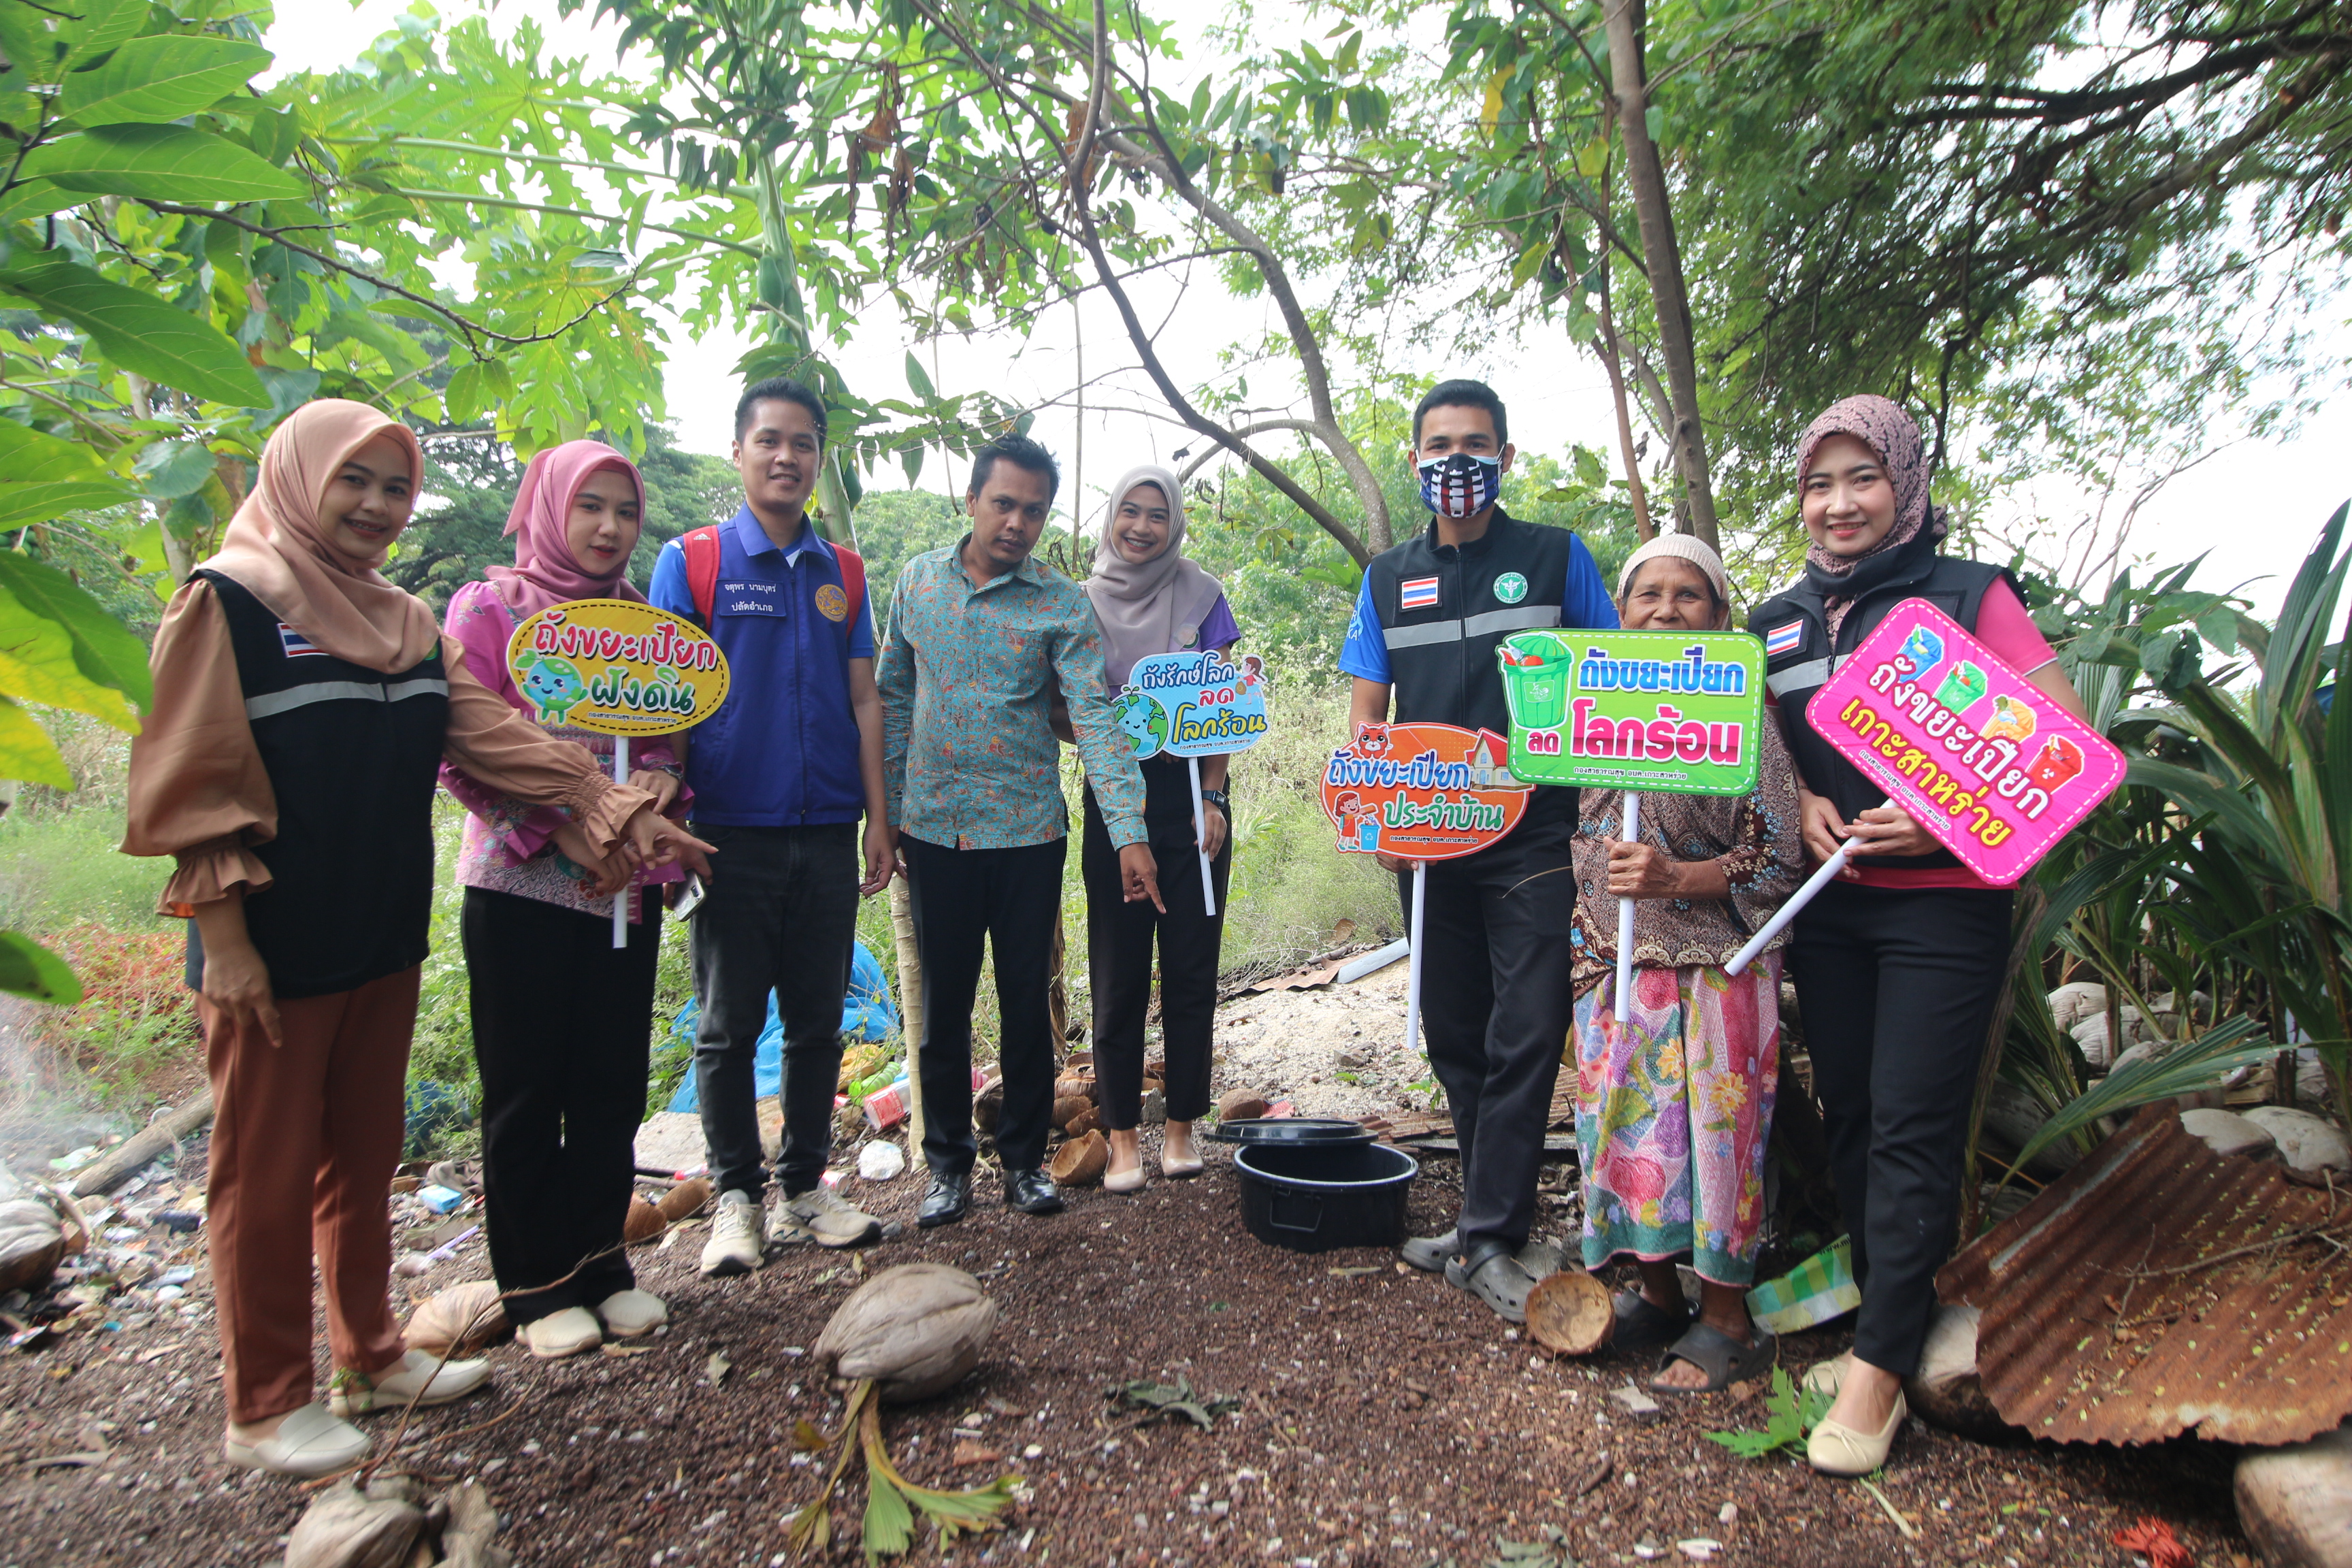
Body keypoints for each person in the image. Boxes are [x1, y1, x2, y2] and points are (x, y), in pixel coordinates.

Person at [122, 400, 709, 1479]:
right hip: (271, 936)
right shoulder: (230, 604)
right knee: (263, 1166)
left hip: (383, 930)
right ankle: (263, 1403)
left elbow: (492, 733)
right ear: (298, 478)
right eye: (355, 483)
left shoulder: (401, 621)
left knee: (363, 1154)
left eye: (396, 489)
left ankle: (371, 1352)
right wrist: (228, 939)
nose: (377, 508)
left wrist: (622, 808)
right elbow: (193, 780)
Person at [1747, 394, 2087, 1475]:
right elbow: (1774, 750)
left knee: (1911, 1127)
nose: (1838, 505)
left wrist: (1943, 807)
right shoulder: (1778, 619)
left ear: (1906, 483)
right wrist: (1799, 800)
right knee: (1850, 1114)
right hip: (1830, 907)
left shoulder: (1967, 594)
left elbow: (2067, 743)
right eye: (1818, 483)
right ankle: (1879, 1334)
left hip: (1946, 904)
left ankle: (1880, 1373)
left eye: (1863, 479)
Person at [1338, 378, 1619, 1323]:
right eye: (1438, 445)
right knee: (1454, 1029)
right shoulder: (1385, 578)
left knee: (1529, 1025)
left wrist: (1588, 803)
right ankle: (1483, 1222)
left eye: (1476, 444)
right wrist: (1378, 819)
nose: (1456, 461)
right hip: (1426, 844)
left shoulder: (1557, 558)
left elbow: (1608, 684)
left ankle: (1493, 1233)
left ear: (1505, 457)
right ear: (1413, 460)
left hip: (1534, 832)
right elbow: (1369, 713)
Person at [440, 440, 687, 1358]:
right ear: (548, 507)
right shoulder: (490, 607)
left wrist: (658, 787)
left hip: (626, 891)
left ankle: (603, 1267)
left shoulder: (643, 624)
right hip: (520, 884)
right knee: (524, 1089)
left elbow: (664, 741)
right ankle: (538, 1289)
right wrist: (562, 825)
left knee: (610, 1082)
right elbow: (455, 745)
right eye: (591, 506)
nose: (609, 528)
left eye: (625, 510)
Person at [647, 377, 898, 1277]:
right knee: (725, 1026)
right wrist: (667, 813)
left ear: (819, 459)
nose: (787, 457)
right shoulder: (695, 560)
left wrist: (878, 818)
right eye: (770, 441)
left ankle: (803, 1190)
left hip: (827, 827)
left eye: (804, 443)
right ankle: (734, 1202)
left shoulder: (845, 572)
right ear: (740, 452)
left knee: (818, 1023)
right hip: (725, 834)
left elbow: (865, 698)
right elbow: (664, 701)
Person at [878, 433, 1161, 1228]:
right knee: (944, 1008)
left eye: (1033, 511)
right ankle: (947, 1169)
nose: (1016, 523)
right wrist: (888, 814)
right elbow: (893, 697)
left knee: (1025, 1001)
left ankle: (1027, 1163)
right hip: (935, 833)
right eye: (1002, 503)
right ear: (970, 500)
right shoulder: (917, 585)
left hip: (1030, 834)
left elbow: (1096, 719)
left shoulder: (1060, 603)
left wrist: (1129, 830)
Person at [1566, 535, 1806, 1392]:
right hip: (1612, 963)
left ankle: (1729, 1320)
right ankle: (1659, 1295)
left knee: (1715, 1141)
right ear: (1620, 612)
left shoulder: (1745, 706)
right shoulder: (1584, 705)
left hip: (1717, 966)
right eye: (1646, 594)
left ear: (1720, 614)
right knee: (1626, 1130)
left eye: (1689, 595)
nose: (1665, 610)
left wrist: (1681, 877)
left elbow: (1783, 854)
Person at [1076, 466, 1241, 1191]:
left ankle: (1180, 1128)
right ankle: (1120, 1140)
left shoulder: (1201, 595)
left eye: (1157, 515)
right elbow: (1067, 711)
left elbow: (1223, 706)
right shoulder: (1078, 605)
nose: (1142, 527)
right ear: (1111, 517)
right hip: (1114, 801)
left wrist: (1215, 798)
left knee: (1191, 970)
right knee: (1117, 974)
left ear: (1175, 523)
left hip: (1189, 799)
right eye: (1130, 512)